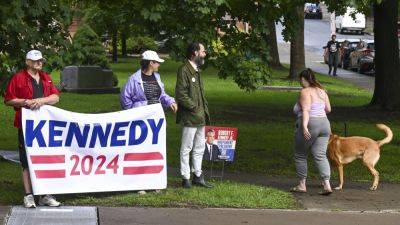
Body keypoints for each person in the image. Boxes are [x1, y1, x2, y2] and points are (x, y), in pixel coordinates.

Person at [4, 50, 61, 208]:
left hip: (44, 125)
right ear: (28, 62)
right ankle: (29, 195)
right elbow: (9, 100)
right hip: (26, 125)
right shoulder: (18, 78)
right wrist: (26, 102)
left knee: (45, 159)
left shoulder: (46, 78)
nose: (39, 63)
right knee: (26, 160)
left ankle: (44, 194)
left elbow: (56, 97)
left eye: (41, 60)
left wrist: (41, 101)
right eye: (35, 60)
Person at [120, 50, 177, 195]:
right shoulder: (134, 79)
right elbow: (125, 99)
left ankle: (154, 181)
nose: (159, 65)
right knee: (140, 151)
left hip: (155, 120)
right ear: (151, 63)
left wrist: (170, 101)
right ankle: (139, 183)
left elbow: (162, 95)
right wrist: (135, 113)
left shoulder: (157, 77)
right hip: (140, 121)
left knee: (155, 150)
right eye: (157, 62)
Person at [175, 42, 212, 188]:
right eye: (203, 51)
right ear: (195, 53)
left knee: (199, 147)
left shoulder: (196, 70)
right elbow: (181, 94)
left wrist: (201, 110)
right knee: (186, 148)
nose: (205, 54)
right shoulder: (184, 70)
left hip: (200, 116)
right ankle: (185, 178)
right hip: (190, 117)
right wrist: (195, 108)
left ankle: (198, 175)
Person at [291, 69, 333, 195]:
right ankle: (327, 185)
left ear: (304, 79)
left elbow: (306, 110)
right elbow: (328, 109)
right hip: (325, 124)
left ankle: (302, 185)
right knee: (320, 155)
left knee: (300, 154)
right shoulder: (322, 91)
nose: (300, 82)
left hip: (311, 123)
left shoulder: (305, 92)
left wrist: (304, 126)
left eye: (301, 80)